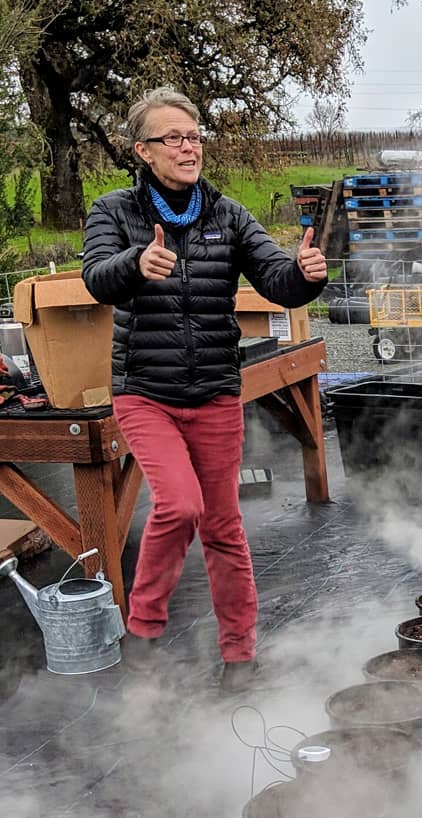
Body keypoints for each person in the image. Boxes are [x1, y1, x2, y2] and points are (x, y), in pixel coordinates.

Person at [82, 87, 328, 691]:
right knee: (180, 505)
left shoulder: (227, 214)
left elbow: (275, 279)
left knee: (222, 526)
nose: (188, 147)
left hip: (216, 390)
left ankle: (240, 655)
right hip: (145, 391)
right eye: (173, 138)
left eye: (193, 137)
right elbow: (96, 278)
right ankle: (144, 630)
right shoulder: (114, 212)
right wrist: (135, 263)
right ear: (143, 151)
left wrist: (304, 276)